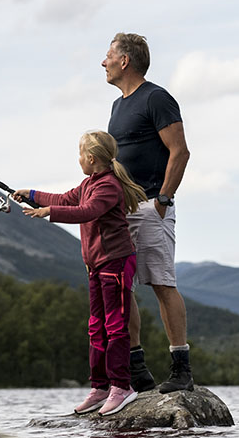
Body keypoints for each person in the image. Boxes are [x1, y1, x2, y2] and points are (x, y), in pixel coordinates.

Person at [13, 131, 148, 416]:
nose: (78, 160)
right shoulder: (88, 183)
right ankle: (100, 388)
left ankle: (122, 387)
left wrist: (48, 212)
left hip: (116, 263)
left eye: (79, 155)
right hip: (96, 265)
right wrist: (32, 195)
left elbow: (87, 211)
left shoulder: (108, 186)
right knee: (96, 327)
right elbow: (66, 199)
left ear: (90, 158)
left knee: (114, 326)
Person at [103, 32, 194, 394]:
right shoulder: (116, 106)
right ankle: (138, 370)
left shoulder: (156, 98)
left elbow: (180, 151)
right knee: (121, 286)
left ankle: (181, 370)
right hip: (120, 211)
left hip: (152, 207)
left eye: (108, 55)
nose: (103, 61)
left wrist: (163, 201)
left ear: (125, 61)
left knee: (161, 283)